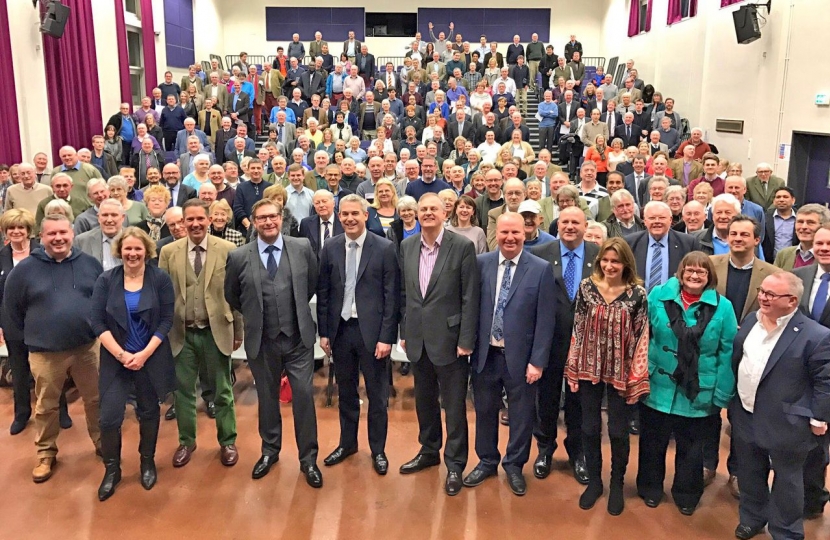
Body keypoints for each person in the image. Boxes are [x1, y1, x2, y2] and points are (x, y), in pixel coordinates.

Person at [224, 199, 323, 488]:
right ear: (254, 222)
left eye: (273, 217)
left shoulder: (302, 247)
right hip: (262, 340)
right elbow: (232, 294)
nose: (268, 222)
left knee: (303, 396)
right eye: (262, 218)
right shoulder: (240, 256)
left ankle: (308, 459)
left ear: (281, 219)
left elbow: (312, 284)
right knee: (267, 399)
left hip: (297, 339)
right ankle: (269, 451)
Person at [730, 272, 830, 540]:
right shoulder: (751, 320)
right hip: (745, 414)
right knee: (750, 474)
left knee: (787, 481)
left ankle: (785, 531)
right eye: (763, 291)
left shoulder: (815, 335)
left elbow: (825, 381)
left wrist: (819, 418)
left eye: (770, 295)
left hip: (788, 422)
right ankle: (752, 519)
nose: (762, 297)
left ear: (792, 301)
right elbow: (738, 360)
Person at [637, 252, 738, 516]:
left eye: (701, 272)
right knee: (651, 442)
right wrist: (639, 374)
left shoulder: (723, 307)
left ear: (709, 277)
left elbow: (727, 352)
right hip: (657, 384)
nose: (694, 276)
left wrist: (721, 393)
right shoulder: (657, 296)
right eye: (689, 270)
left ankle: (687, 494)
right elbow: (642, 336)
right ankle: (650, 488)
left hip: (698, 391)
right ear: (680, 272)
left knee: (692, 449)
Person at [5, 214, 104, 483]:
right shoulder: (24, 270)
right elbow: (12, 310)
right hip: (45, 352)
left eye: (63, 232)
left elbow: (101, 301)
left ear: (72, 233)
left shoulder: (89, 264)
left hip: (87, 348)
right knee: (46, 406)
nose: (58, 238)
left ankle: (102, 444)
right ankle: (46, 453)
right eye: (51, 234)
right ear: (42, 236)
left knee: (95, 401)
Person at [463, 212, 555, 496]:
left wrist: (538, 361)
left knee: (522, 414)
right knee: (485, 410)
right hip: (485, 355)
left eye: (515, 232)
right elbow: (470, 308)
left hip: (522, 357)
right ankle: (487, 460)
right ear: (496, 235)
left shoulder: (540, 268)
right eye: (504, 233)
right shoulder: (480, 264)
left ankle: (514, 465)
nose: (510, 238)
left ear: (524, 234)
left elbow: (545, 319)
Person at [398, 192, 480, 496]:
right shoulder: (407, 246)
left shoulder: (461, 246)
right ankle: (429, 451)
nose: (428, 213)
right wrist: (405, 331)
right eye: (423, 209)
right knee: (425, 402)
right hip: (418, 340)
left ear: (445, 212)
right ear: (416, 214)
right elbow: (406, 296)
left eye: (433, 208)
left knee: (454, 407)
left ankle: (456, 464)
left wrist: (466, 339)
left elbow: (470, 296)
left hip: (451, 341)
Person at [316, 195, 399, 474]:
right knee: (346, 393)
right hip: (341, 332)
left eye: (355, 213)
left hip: (373, 334)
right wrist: (324, 332)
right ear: (339, 217)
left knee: (377, 396)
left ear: (366, 215)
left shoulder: (385, 247)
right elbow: (324, 293)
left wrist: (387, 336)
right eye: (345, 214)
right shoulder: (330, 247)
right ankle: (347, 443)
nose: (350, 219)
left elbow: (392, 296)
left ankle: (378, 450)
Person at [566, 237, 650, 515]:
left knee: (617, 431)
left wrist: (636, 378)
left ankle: (616, 484)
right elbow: (577, 327)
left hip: (621, 373)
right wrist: (573, 367)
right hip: (588, 369)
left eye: (616, 261)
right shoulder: (586, 288)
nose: (610, 265)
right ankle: (594, 482)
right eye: (606, 260)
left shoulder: (638, 294)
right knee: (589, 428)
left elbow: (641, 337)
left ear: (626, 263)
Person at [90, 227, 175, 501]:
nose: (133, 253)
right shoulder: (106, 280)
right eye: (127, 248)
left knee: (149, 412)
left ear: (147, 251)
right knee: (109, 417)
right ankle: (112, 470)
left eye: (138, 249)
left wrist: (144, 354)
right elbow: (97, 322)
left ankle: (147, 462)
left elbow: (166, 320)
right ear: (120, 251)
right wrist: (121, 355)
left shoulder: (160, 278)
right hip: (117, 359)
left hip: (150, 358)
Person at [159, 200, 242, 470]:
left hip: (216, 330)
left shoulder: (228, 250)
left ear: (208, 220)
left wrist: (238, 331)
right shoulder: (169, 252)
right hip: (181, 332)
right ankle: (186, 441)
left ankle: (227, 441)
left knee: (223, 390)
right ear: (182, 222)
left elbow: (235, 296)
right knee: (182, 391)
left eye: (199, 219)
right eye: (189, 219)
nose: (194, 224)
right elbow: (162, 296)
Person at [531, 207, 597, 486]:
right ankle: (545, 450)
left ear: (585, 225)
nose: (569, 226)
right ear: (558, 225)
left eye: (575, 222)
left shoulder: (599, 255)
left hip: (586, 344)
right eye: (565, 222)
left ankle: (578, 453)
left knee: (580, 403)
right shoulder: (540, 254)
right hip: (549, 341)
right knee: (545, 400)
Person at [0, 210, 71, 435]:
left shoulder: (43, 254)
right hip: (13, 325)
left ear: (29, 231)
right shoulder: (1, 256)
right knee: (19, 371)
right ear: (5, 231)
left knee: (52, 370)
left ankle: (61, 411)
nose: (16, 232)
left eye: (21, 228)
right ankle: (22, 413)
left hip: (43, 323)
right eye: (11, 228)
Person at [791, 225, 830, 519]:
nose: (824, 248)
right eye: (819, 243)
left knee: (821, 438)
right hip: (801, 367)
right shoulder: (800, 276)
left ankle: (814, 499)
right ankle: (794, 495)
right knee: (800, 435)